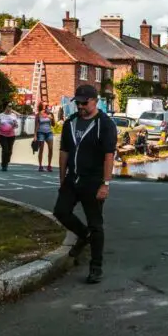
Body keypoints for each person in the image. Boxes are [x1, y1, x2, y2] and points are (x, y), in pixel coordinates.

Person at [53, 84, 117, 285]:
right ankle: (83, 235)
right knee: (61, 211)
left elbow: (109, 156)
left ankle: (95, 267)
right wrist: (62, 179)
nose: (80, 106)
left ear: (94, 101)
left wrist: (105, 184)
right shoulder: (70, 123)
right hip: (73, 178)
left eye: (84, 103)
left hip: (94, 181)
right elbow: (64, 152)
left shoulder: (105, 124)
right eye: (77, 103)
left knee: (95, 223)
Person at [0, 102, 20, 171]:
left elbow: (16, 126)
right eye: (9, 106)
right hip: (2, 135)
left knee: (9, 151)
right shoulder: (0, 115)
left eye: (11, 106)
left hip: (11, 136)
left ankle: (6, 161)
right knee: (5, 150)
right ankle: (4, 165)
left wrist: (15, 124)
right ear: (5, 107)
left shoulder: (13, 115)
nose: (10, 108)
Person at [35, 103, 55, 172]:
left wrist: (52, 118)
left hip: (49, 132)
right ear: (44, 108)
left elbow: (53, 125)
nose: (49, 110)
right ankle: (40, 166)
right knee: (41, 149)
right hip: (41, 133)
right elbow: (36, 125)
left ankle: (49, 165)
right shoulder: (39, 115)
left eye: (50, 108)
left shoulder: (51, 114)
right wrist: (35, 135)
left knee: (51, 148)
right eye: (48, 108)